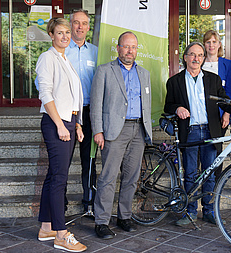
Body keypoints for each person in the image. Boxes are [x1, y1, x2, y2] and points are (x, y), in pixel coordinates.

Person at [90, 31, 152, 239]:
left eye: (133, 47)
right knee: (108, 177)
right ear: (118, 48)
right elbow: (96, 103)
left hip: (138, 130)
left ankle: (124, 216)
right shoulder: (104, 71)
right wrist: (97, 130)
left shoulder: (144, 73)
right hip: (114, 131)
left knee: (131, 177)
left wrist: (146, 130)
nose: (129, 51)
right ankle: (101, 221)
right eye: (126, 46)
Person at [164, 42, 230, 226]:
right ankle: (190, 212)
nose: (196, 58)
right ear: (185, 57)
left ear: (203, 58)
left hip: (210, 130)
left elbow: (223, 100)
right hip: (190, 131)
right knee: (191, 173)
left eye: (200, 55)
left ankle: (208, 211)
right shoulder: (175, 81)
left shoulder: (213, 79)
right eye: (192, 54)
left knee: (210, 172)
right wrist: (177, 108)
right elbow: (167, 105)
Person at [35, 18, 86, 252]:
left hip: (69, 122)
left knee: (53, 176)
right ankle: (61, 235)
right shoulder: (48, 58)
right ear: (51, 35)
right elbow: (45, 93)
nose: (65, 36)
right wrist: (60, 125)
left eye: (67, 32)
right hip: (57, 123)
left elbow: (72, 98)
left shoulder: (64, 59)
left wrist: (77, 125)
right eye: (60, 32)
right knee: (59, 180)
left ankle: (47, 227)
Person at [65, 8, 99, 214]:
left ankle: (89, 202)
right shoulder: (60, 50)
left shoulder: (95, 52)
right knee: (63, 161)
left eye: (84, 23)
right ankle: (61, 203)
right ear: (70, 25)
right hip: (67, 113)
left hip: (88, 112)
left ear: (88, 27)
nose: (80, 27)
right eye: (76, 22)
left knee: (89, 159)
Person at [202, 30, 231, 176]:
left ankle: (215, 183)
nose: (211, 45)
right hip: (201, 114)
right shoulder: (199, 62)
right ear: (204, 45)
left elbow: (230, 91)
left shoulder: (226, 64)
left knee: (217, 150)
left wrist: (227, 114)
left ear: (219, 44)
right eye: (208, 42)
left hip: (220, 116)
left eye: (214, 42)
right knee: (201, 150)